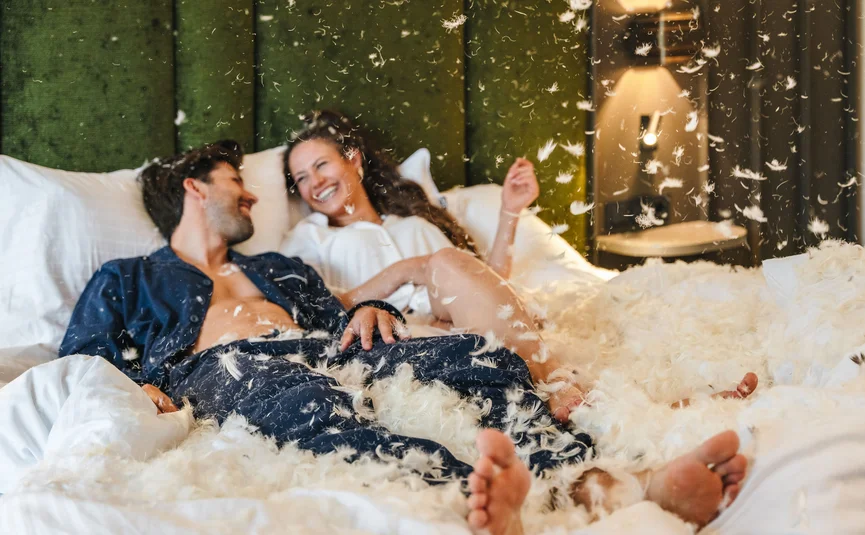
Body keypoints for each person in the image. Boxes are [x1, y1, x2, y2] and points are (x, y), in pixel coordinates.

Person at [58, 140, 750, 529]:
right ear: (194, 189)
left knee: (474, 357)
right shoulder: (128, 277)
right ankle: (482, 504)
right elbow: (80, 362)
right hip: (227, 368)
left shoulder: (276, 264)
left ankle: (604, 484)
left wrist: (361, 314)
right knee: (308, 406)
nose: (255, 195)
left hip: (326, 347)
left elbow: (335, 312)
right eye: (238, 183)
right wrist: (140, 383)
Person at [280, 110, 757, 420]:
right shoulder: (310, 239)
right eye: (300, 178)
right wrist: (407, 271)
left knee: (450, 264)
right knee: (444, 264)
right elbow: (325, 305)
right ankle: (574, 395)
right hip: (405, 331)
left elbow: (485, 282)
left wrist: (510, 212)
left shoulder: (413, 219)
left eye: (321, 166)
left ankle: (631, 407)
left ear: (354, 161)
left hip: (476, 316)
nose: (313, 183)